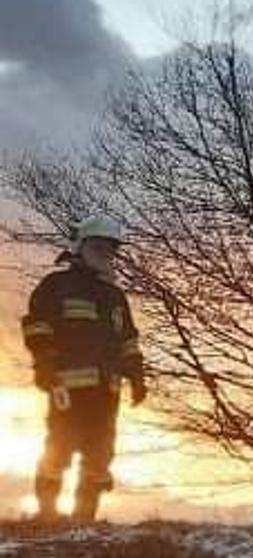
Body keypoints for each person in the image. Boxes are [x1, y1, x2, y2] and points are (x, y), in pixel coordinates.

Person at [22, 216, 145, 524]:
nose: (105, 253)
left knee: (100, 455)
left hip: (108, 389)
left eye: (110, 249)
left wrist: (137, 375)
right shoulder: (57, 285)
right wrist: (44, 360)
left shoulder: (115, 296)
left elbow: (128, 339)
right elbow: (37, 325)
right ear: (80, 247)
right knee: (59, 449)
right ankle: (47, 513)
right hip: (67, 384)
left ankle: (84, 518)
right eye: (98, 246)